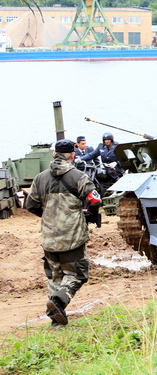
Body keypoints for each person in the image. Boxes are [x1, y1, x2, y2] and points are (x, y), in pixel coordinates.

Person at [25, 139, 102, 326]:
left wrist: (50, 216)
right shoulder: (78, 176)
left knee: (55, 276)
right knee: (77, 274)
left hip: (49, 238)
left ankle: (55, 321)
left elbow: (31, 205)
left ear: (54, 154)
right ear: (72, 155)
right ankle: (58, 302)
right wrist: (87, 214)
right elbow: (95, 201)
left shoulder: (40, 178)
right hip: (72, 237)